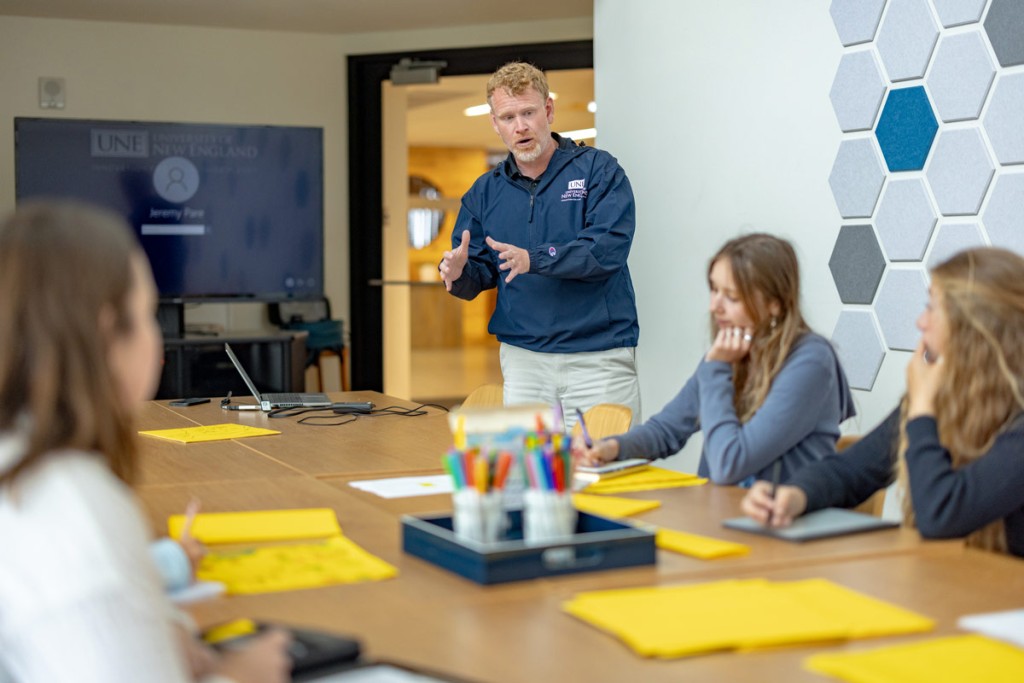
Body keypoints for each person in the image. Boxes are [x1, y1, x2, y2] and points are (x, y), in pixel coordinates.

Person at [0, 201, 290, 682]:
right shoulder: (77, 513)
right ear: (106, 330)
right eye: (147, 312)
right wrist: (241, 673)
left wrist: (162, 626)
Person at [742, 247, 1024, 557]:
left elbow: (942, 514)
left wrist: (922, 411)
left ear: (975, 328)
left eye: (932, 308)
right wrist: (795, 496)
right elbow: (850, 471)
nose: (921, 322)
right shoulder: (946, 399)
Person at [439, 61, 640, 428]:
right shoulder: (485, 192)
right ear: (495, 123)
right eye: (508, 117)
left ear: (548, 110)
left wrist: (534, 259)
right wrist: (456, 273)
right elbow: (479, 273)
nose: (520, 126)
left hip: (598, 356)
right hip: (524, 359)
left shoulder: (598, 171)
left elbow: (605, 250)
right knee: (530, 477)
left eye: (529, 112)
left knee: (608, 471)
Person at [574, 233, 855, 486]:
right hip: (724, 517)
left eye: (731, 296)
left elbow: (729, 464)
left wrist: (717, 368)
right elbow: (667, 430)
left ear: (775, 303)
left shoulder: (811, 360)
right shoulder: (734, 351)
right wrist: (612, 448)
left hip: (782, 527)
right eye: (714, 290)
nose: (714, 307)